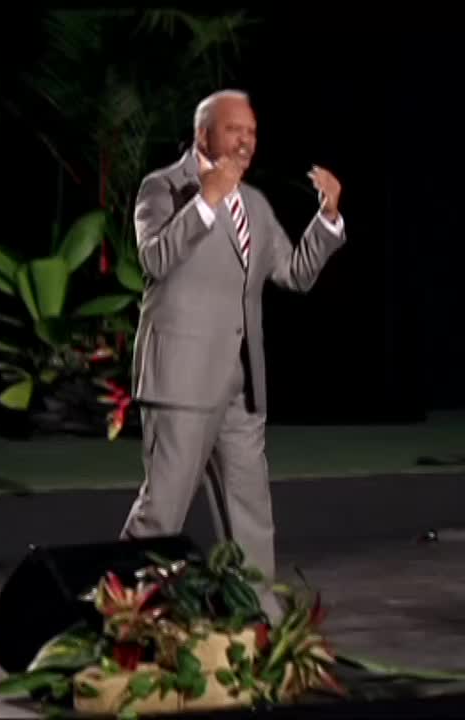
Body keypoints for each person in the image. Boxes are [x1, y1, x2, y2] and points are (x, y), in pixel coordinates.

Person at [119, 89, 347, 622]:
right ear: (204, 135)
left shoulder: (257, 204)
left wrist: (328, 217)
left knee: (251, 515)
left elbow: (293, 273)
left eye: (251, 132)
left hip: (241, 384)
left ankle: (257, 622)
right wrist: (206, 200)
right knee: (162, 513)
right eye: (233, 130)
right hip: (180, 380)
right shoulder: (164, 188)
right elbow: (155, 260)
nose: (245, 141)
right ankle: (118, 613)